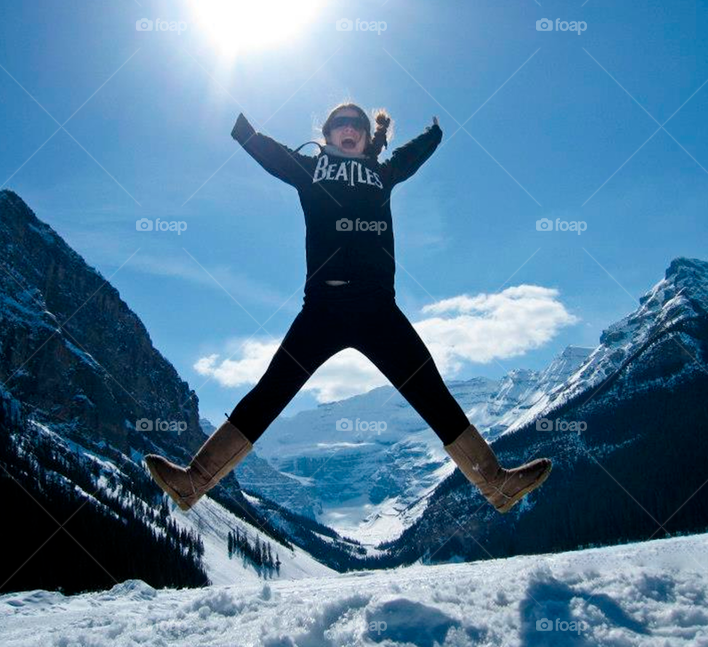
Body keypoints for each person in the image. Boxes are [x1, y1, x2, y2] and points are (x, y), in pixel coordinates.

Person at [145, 104, 552, 515]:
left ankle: (496, 484)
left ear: (364, 135)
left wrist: (434, 134)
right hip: (323, 307)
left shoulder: (381, 173)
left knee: (431, 393)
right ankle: (193, 482)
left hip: (377, 309)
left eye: (356, 124)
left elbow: (409, 158)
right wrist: (239, 125)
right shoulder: (310, 169)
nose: (349, 129)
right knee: (271, 392)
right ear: (327, 134)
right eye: (340, 124)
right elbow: (270, 154)